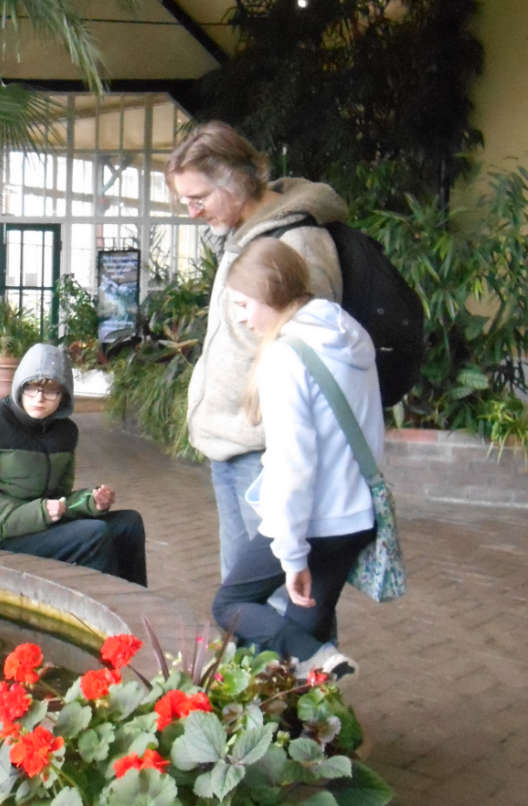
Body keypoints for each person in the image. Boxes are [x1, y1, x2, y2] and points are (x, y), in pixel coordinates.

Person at [165, 120, 350, 584]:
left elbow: (314, 357)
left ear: (237, 181)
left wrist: (284, 452)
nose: (191, 212)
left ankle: (305, 661)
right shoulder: (244, 235)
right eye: (184, 200)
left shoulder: (296, 244)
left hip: (267, 455)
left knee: (282, 596)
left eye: (198, 198)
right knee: (243, 594)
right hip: (234, 447)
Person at [210, 238, 381, 678]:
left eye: (245, 303)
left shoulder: (287, 356)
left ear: (270, 293)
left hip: (315, 519)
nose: (243, 317)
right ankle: (315, 708)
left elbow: (293, 465)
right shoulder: (347, 332)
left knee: (230, 603)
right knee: (300, 638)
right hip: (355, 516)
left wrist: (291, 554)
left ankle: (325, 663)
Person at [0, 342, 147, 586]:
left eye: (51, 390)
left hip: (30, 523)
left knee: (129, 524)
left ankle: (138, 607)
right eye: (32, 388)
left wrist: (90, 501)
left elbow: (58, 500)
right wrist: (40, 512)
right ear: (19, 386)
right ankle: (105, 616)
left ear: (64, 395)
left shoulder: (65, 433)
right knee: (93, 536)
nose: (39, 398)